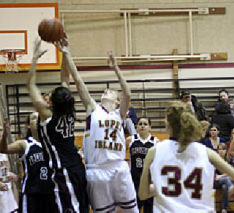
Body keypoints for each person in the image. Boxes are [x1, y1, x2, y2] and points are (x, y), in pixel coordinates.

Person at [56, 39, 138, 212]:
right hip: (96, 170)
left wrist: (115, 67)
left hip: (119, 167)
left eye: (111, 92)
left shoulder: (119, 114)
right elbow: (78, 81)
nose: (106, 91)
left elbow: (128, 93)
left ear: (117, 102)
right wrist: (67, 53)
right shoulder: (92, 109)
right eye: (105, 91)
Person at [138, 101, 234, 213]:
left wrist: (165, 186)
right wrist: (233, 191)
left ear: (168, 125)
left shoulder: (154, 151)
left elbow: (143, 194)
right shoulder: (206, 152)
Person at [27, 38, 88, 213]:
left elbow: (30, 85)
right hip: (77, 166)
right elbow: (65, 80)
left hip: (64, 171)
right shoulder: (68, 111)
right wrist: (64, 54)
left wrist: (35, 58)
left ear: (52, 103)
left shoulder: (48, 116)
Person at [1, 114, 57, 213]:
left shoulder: (51, 144)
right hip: (32, 193)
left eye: (39, 118)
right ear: (28, 125)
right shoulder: (25, 144)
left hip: (51, 192)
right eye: (34, 118)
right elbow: (3, 149)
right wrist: (5, 134)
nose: (37, 120)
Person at [127, 117, 159, 213]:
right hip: (134, 179)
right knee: (134, 208)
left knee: (149, 208)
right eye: (140, 124)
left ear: (150, 127)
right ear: (136, 127)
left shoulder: (155, 141)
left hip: (149, 180)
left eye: (145, 124)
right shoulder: (130, 140)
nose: (142, 126)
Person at [215, 143, 233, 213]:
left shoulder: (229, 160)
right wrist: (223, 176)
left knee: (225, 186)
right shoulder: (214, 160)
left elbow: (231, 173)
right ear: (217, 151)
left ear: (226, 150)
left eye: (223, 149)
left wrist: (221, 176)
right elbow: (214, 175)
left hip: (226, 181)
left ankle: (224, 209)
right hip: (216, 182)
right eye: (220, 149)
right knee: (226, 179)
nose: (221, 151)